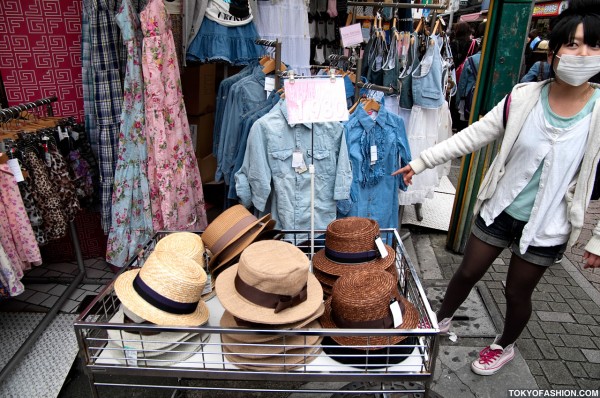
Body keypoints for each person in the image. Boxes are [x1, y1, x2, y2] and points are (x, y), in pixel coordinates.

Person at [393, 0, 600, 376]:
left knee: (516, 292)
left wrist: (598, 241)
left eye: (592, 44)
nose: (582, 53)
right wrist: (421, 161)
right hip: (500, 210)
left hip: (547, 227)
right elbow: (473, 134)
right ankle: (440, 321)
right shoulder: (523, 98)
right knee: (467, 272)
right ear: (553, 52)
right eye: (572, 44)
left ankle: (504, 345)